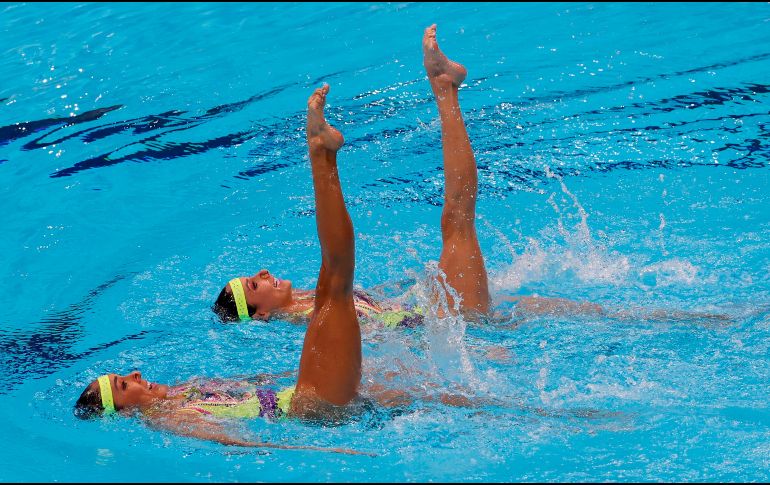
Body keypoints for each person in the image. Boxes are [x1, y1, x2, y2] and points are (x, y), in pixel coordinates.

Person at [75, 84, 367, 452]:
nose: (134, 375)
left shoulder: (179, 393)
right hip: (312, 407)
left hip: (303, 391)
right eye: (123, 385)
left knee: (332, 290)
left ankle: (322, 153)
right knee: (336, 281)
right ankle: (321, 154)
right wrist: (325, 449)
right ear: (122, 411)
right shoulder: (173, 419)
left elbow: (249, 392)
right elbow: (242, 442)